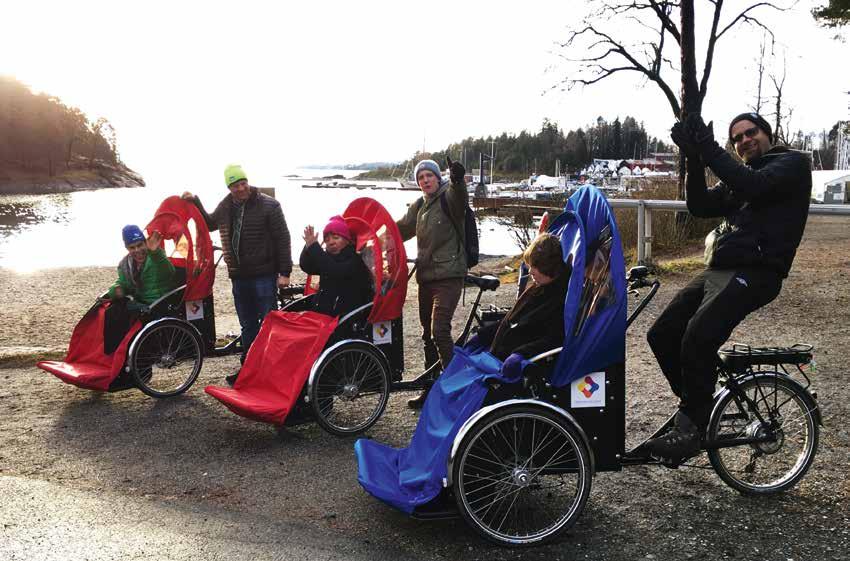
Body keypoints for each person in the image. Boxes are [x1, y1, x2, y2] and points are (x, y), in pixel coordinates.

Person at [645, 111, 812, 461]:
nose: (744, 141)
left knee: (697, 335)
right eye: (737, 138)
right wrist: (692, 157)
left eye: (750, 133)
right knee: (662, 333)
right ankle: (698, 407)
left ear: (767, 133)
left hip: (758, 272)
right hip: (720, 269)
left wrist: (706, 147)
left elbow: (755, 185)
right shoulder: (741, 175)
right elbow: (700, 205)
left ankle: (691, 428)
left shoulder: (791, 164)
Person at [182, 164, 292, 386]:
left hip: (264, 275)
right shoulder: (226, 204)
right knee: (248, 326)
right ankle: (248, 369)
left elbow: (283, 238)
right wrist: (195, 201)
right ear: (229, 187)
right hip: (239, 277)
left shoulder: (270, 205)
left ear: (247, 182)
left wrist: (285, 272)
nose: (241, 189)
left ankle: (271, 372)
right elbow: (210, 223)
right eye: (235, 186)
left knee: (269, 325)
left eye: (243, 183)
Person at [396, 158, 468, 408]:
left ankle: (454, 392)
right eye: (421, 177)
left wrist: (458, 181)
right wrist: (369, 235)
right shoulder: (420, 205)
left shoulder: (449, 198)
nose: (425, 180)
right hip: (426, 277)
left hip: (449, 276)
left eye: (429, 175)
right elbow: (400, 229)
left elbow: (460, 200)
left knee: (440, 331)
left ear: (438, 178)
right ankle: (431, 390)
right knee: (427, 336)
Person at [466, 233, 570, 376]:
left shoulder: (560, 299)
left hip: (514, 367)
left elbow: (554, 339)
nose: (530, 271)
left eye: (535, 266)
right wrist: (482, 335)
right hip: (497, 357)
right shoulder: (539, 288)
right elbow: (511, 320)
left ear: (549, 267)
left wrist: (521, 354)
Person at [299, 215, 373, 318]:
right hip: (322, 315)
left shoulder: (355, 259)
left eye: (336, 237)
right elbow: (307, 267)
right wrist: (308, 247)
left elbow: (335, 270)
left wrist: (314, 247)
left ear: (347, 240)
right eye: (327, 239)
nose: (331, 242)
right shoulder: (326, 258)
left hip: (345, 318)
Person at [108, 225, 176, 306]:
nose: (137, 250)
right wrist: (116, 289)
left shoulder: (156, 256)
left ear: (145, 243)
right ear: (127, 248)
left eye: (140, 245)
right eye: (132, 248)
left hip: (160, 304)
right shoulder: (125, 264)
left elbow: (170, 271)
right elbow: (123, 283)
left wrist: (155, 252)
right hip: (140, 305)